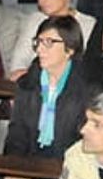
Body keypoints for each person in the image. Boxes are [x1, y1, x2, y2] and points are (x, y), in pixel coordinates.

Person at [5, 13, 90, 160]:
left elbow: (85, 143)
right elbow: (16, 136)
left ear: (70, 49)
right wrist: (15, 170)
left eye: (49, 42)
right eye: (38, 42)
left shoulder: (87, 89)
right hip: (28, 165)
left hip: (68, 168)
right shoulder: (27, 84)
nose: (39, 50)